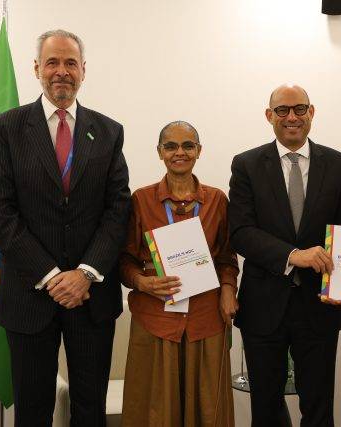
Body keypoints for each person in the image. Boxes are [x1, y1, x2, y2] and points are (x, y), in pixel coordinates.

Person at [0, 29, 131, 425]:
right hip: (28, 297)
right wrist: (51, 276)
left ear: (83, 70)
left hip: (91, 297)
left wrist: (84, 273)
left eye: (70, 63)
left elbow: (118, 210)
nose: (61, 71)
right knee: (32, 413)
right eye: (52, 62)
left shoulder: (109, 131)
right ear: (37, 69)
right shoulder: (5, 129)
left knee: (90, 412)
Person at [228, 84, 341, 426]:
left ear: (312, 112)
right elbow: (240, 232)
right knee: (266, 409)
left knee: (319, 408)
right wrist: (293, 255)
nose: (292, 117)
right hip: (263, 307)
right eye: (282, 110)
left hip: (319, 306)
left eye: (299, 108)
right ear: (269, 116)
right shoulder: (247, 164)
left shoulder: (339, 164)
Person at [119, 121, 238, 426]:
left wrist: (228, 289)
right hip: (156, 319)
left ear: (199, 150)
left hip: (206, 319)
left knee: (208, 410)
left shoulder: (217, 200)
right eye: (171, 146)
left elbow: (227, 256)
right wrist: (142, 282)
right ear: (160, 152)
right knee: (155, 411)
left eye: (188, 146)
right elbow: (124, 259)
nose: (179, 153)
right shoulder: (141, 200)